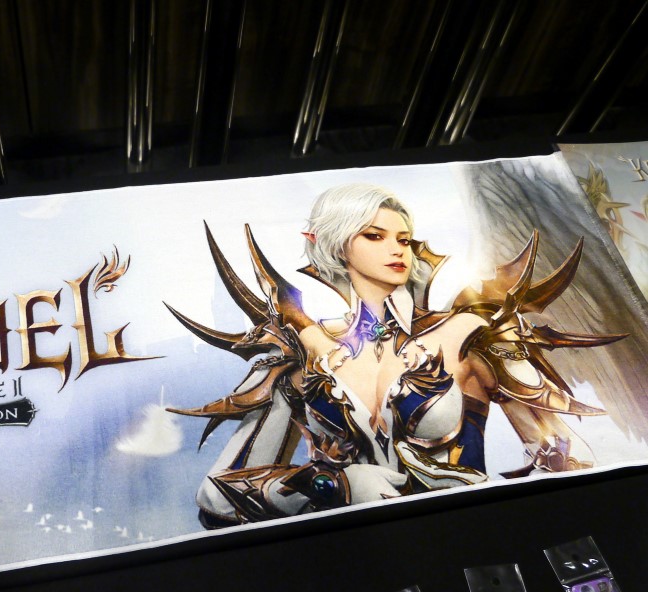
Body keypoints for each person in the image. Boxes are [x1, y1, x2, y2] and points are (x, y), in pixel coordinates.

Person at [167, 183, 625, 528]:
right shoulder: (301, 352)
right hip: (359, 556)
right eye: (374, 235)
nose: (396, 249)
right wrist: (335, 487)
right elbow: (217, 496)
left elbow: (571, 462)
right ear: (336, 245)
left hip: (473, 539)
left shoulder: (471, 333)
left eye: (404, 239)